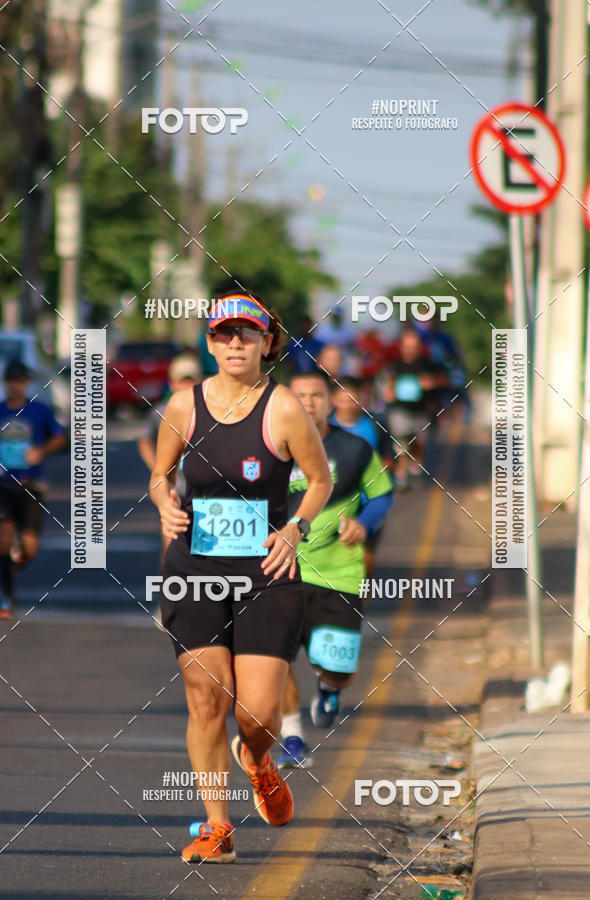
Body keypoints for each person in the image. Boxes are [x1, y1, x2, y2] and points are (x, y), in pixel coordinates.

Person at [150, 291, 332, 864]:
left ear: (266, 344)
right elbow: (160, 475)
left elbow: (320, 479)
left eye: (247, 334)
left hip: (265, 574)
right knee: (206, 697)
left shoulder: (282, 408)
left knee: (256, 715)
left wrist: (295, 529)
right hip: (195, 569)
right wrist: (163, 506)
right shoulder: (184, 406)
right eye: (224, 333)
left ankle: (257, 759)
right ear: (210, 343)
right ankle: (217, 826)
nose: (235, 342)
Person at [277, 371, 393, 769]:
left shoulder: (356, 449)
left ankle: (329, 686)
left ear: (330, 402)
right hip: (277, 571)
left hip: (338, 573)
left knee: (339, 667)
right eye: (299, 395)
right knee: (274, 661)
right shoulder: (269, 449)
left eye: (316, 395)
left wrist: (364, 523)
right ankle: (292, 736)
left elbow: (381, 495)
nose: (308, 402)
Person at [0, 360, 67, 619]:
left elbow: (59, 437)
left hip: (31, 484)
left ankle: (20, 557)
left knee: (30, 546)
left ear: (26, 383)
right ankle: (7, 597)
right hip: (4, 483)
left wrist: (42, 450)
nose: (16, 385)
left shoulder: (39, 410)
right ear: (6, 383)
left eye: (20, 380)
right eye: (11, 380)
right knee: (3, 539)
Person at [329, 375, 395, 576]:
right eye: (343, 399)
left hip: (369, 501)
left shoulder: (376, 425)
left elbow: (389, 460)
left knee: (365, 551)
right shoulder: (324, 427)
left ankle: (362, 596)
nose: (348, 405)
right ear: (333, 400)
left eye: (352, 399)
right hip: (335, 501)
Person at [138, 354, 201, 560]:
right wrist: (158, 469)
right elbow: (144, 441)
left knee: (204, 552)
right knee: (172, 548)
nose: (186, 385)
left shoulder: (212, 411)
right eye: (182, 380)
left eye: (191, 380)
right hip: (174, 490)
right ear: (172, 384)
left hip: (204, 492)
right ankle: (170, 588)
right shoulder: (160, 412)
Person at [384, 326, 447, 490]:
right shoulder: (395, 365)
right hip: (400, 411)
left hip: (421, 411)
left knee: (419, 442)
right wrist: (389, 392)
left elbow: (443, 379)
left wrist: (431, 383)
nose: (410, 350)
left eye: (414, 347)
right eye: (407, 346)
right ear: (402, 347)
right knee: (402, 443)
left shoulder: (428, 365)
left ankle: (416, 462)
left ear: (419, 347)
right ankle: (401, 477)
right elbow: (389, 383)